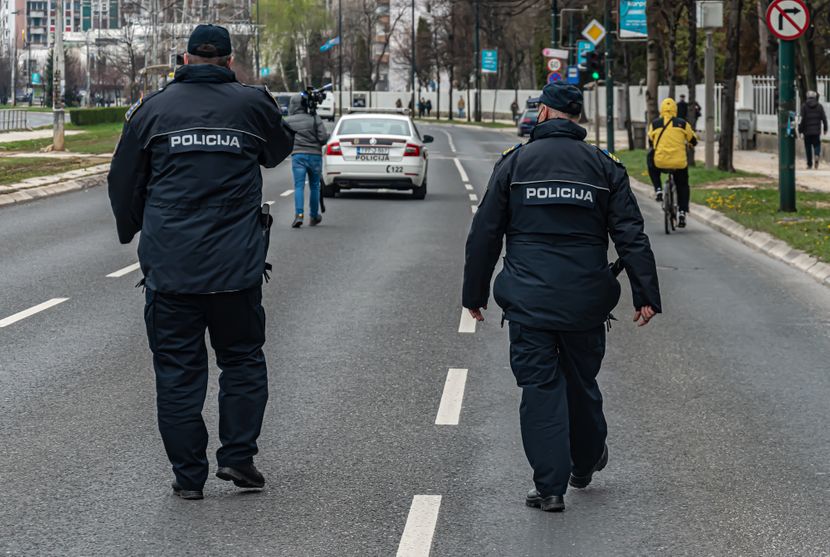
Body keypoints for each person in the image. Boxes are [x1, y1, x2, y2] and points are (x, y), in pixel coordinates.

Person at [107, 24, 294, 500]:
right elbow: (279, 151)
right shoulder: (253, 104)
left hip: (171, 272)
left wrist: (134, 229)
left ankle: (188, 477)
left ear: (184, 59)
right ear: (229, 62)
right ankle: (237, 458)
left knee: (177, 374)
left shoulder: (152, 109)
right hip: (236, 271)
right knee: (243, 362)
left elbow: (123, 180)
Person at [462, 82, 661, 513]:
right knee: (580, 382)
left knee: (540, 387)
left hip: (529, 302)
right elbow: (630, 234)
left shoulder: (515, 164)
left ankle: (550, 488)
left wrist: (473, 294)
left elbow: (484, 236)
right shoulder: (603, 167)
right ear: (577, 118)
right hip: (587, 302)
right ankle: (586, 461)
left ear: (547, 114)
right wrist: (646, 294)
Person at [647, 97, 698, 228]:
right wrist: (692, 144)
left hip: (660, 162)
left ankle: (658, 189)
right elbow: (693, 139)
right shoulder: (682, 123)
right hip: (678, 163)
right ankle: (682, 212)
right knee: (683, 184)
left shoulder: (655, 123)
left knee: (650, 160)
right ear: (675, 109)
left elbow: (651, 141)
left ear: (661, 109)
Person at [284, 92, 330, 227]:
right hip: (314, 155)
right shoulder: (314, 118)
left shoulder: (288, 121)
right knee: (315, 186)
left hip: (298, 155)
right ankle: (314, 215)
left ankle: (299, 215)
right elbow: (323, 138)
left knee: (298, 186)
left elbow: (284, 139)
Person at [798, 90, 827, 169]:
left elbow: (801, 119)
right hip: (816, 131)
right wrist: (825, 128)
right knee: (817, 144)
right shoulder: (819, 106)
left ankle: (809, 164)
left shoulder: (804, 106)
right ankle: (817, 155)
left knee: (808, 147)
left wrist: (800, 130)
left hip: (807, 131)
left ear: (807, 97)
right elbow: (824, 118)